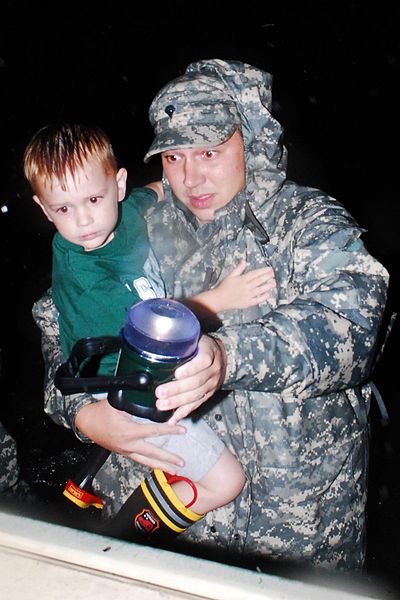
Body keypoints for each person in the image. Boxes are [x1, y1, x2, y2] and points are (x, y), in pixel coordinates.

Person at [32, 59, 389, 572]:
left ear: (252, 141)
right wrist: (85, 415)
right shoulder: (130, 226)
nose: (190, 175)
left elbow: (352, 329)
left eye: (210, 152)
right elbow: (57, 328)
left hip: (289, 541)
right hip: (157, 538)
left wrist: (225, 355)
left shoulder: (310, 224)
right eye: (174, 156)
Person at [24, 122, 276, 536]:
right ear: (44, 209)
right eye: (64, 209)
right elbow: (157, 331)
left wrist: (172, 181)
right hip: (121, 387)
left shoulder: (124, 213)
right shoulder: (88, 279)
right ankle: (130, 537)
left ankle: (154, 495)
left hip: (135, 367)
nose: (84, 219)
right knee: (226, 481)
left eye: (92, 198)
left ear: (118, 185)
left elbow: (151, 193)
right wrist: (222, 297)